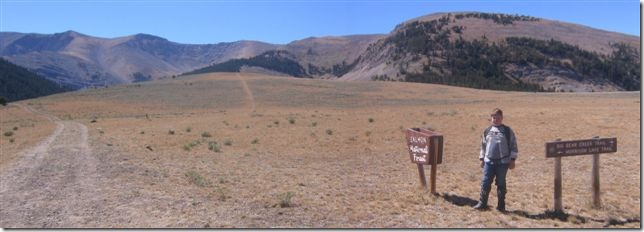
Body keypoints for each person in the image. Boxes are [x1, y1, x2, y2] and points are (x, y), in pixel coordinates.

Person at [473, 108, 518, 212]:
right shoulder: (487, 131)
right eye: (493, 117)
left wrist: (513, 159)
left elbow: (513, 145)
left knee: (501, 183)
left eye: (498, 117)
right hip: (489, 161)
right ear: (491, 118)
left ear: (502, 118)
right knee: (485, 182)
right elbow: (483, 146)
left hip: (503, 162)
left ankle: (501, 206)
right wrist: (482, 158)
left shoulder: (507, 131)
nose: (495, 119)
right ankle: (482, 203)